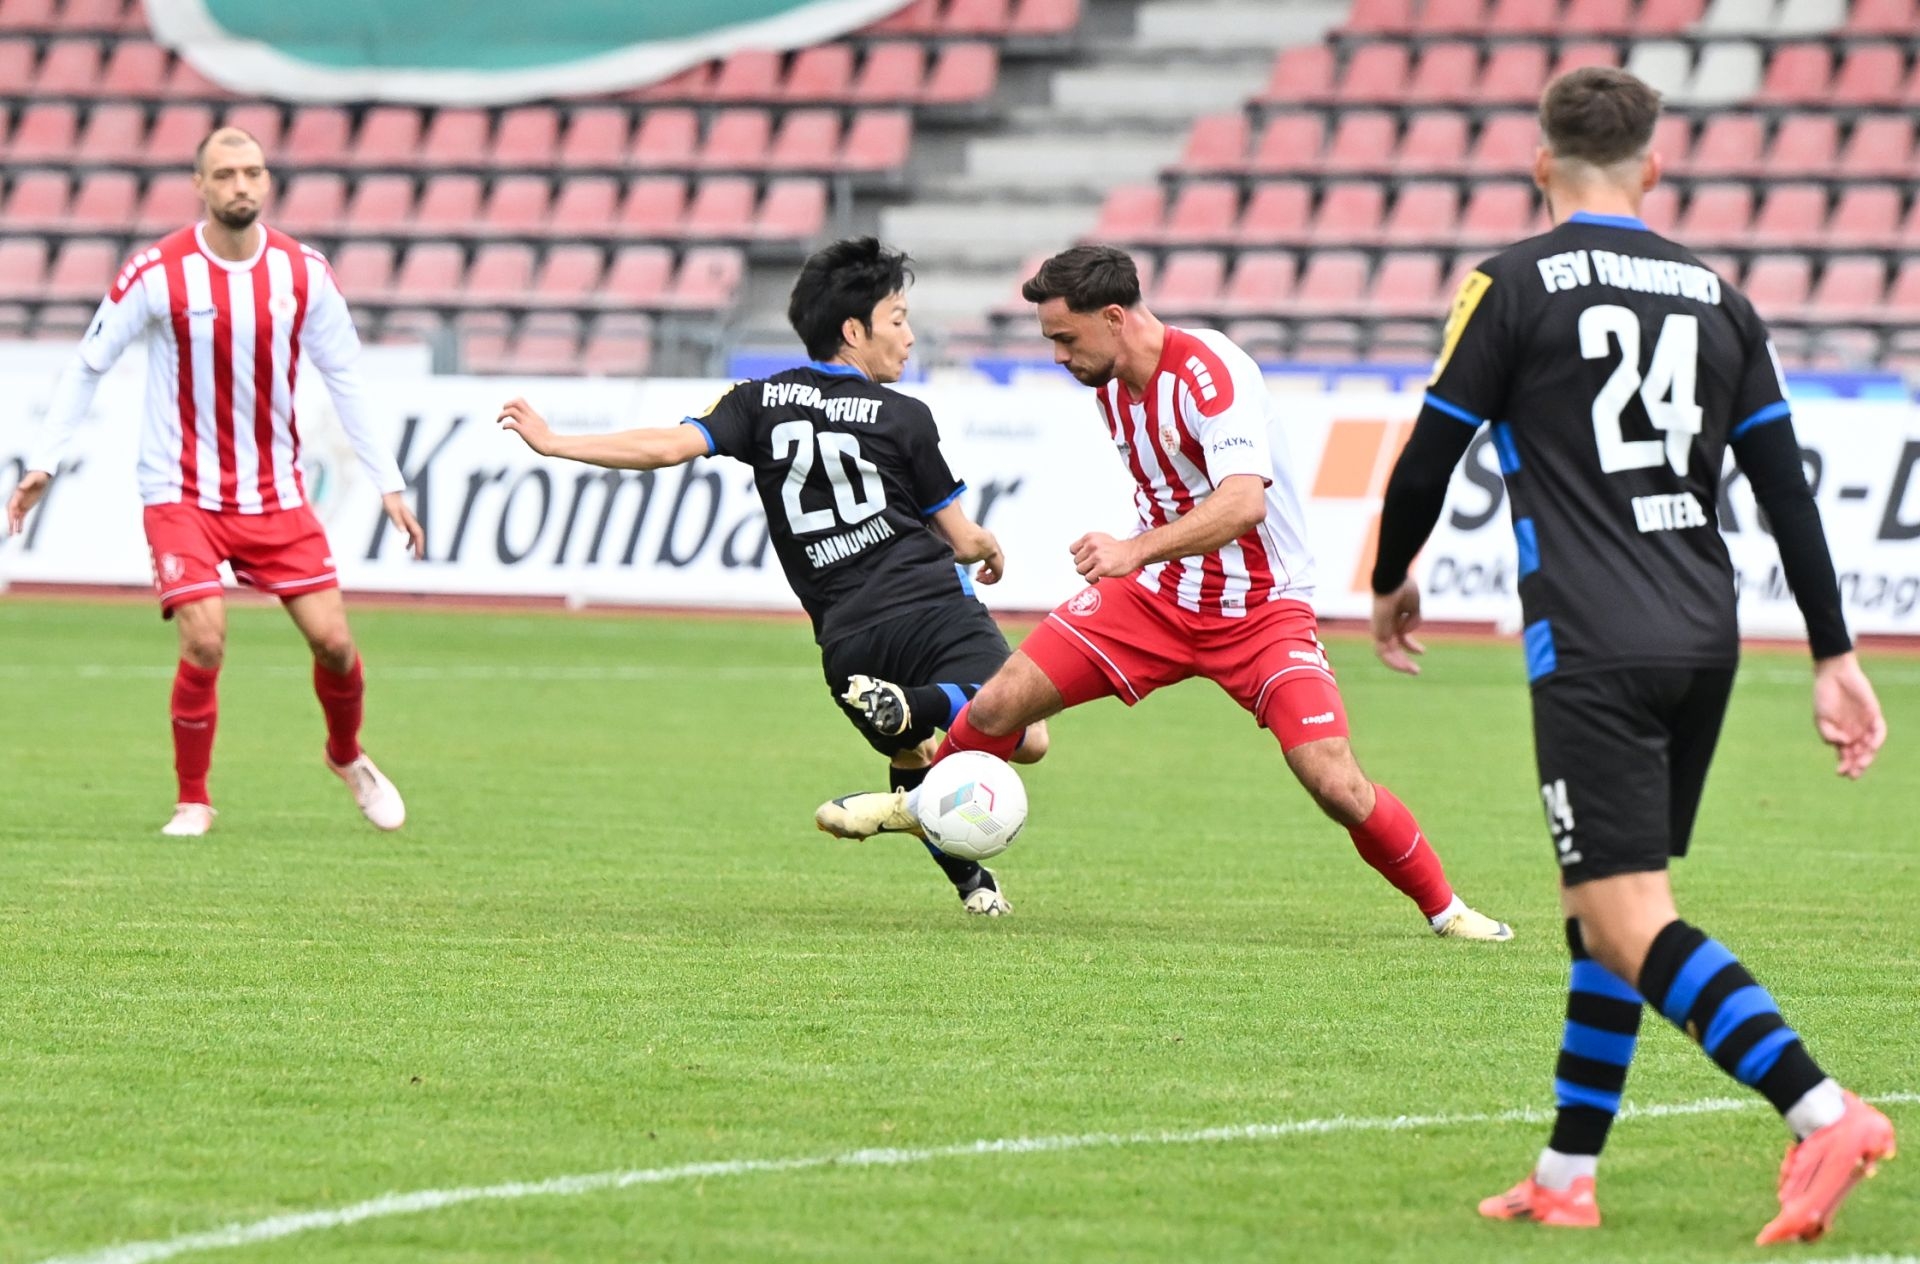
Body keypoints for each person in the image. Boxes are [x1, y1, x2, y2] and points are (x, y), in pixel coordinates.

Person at [1367, 67, 1894, 1242]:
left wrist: (1391, 576)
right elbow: (1786, 490)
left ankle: (1823, 1111)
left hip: (1593, 638)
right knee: (1600, 907)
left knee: (1628, 914)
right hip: (1703, 633)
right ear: (1654, 168)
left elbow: (1429, 454)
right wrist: (1833, 652)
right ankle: (1566, 1172)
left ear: (1539, 165)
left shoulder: (1509, 283)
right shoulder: (1721, 298)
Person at [818, 245, 1513, 942]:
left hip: (1260, 610)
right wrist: (1140, 557)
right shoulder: (1109, 385)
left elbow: (1244, 503)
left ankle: (1447, 910)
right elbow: (1169, 493)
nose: (1058, 357)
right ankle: (918, 806)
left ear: (1114, 317)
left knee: (1334, 781)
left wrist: (1133, 549)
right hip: (1154, 598)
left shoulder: (1211, 372)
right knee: (1000, 702)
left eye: (1066, 338)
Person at [498, 237, 1046, 915]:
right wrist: (989, 546)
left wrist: (556, 442)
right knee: (1029, 734)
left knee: (912, 757)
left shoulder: (757, 402)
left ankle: (972, 884)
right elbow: (961, 540)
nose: (908, 337)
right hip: (931, 607)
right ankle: (921, 704)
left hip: (849, 641)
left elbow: (665, 448)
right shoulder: (906, 416)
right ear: (854, 331)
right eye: (898, 319)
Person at [5, 127, 425, 837]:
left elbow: (346, 376)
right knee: (205, 640)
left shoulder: (302, 272)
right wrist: (45, 459)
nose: (240, 185)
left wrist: (388, 480)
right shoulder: (157, 272)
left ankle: (346, 754)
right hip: (180, 491)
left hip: (275, 493)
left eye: (252, 172)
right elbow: (88, 364)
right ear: (199, 185)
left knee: (335, 643)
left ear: (267, 182)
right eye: (225, 173)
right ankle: (193, 799)